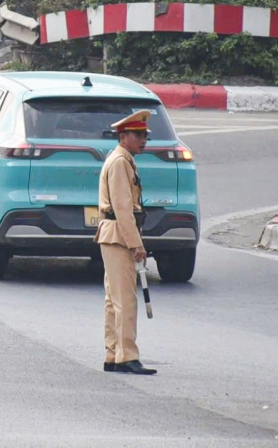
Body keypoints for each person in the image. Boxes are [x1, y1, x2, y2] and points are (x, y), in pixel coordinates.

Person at [94, 109, 156, 376]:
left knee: (114, 300)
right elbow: (122, 207)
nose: (143, 140)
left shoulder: (122, 159)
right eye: (138, 135)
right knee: (125, 301)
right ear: (123, 136)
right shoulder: (120, 162)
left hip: (113, 233)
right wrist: (136, 244)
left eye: (145, 135)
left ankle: (113, 354)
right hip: (118, 234)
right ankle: (126, 356)